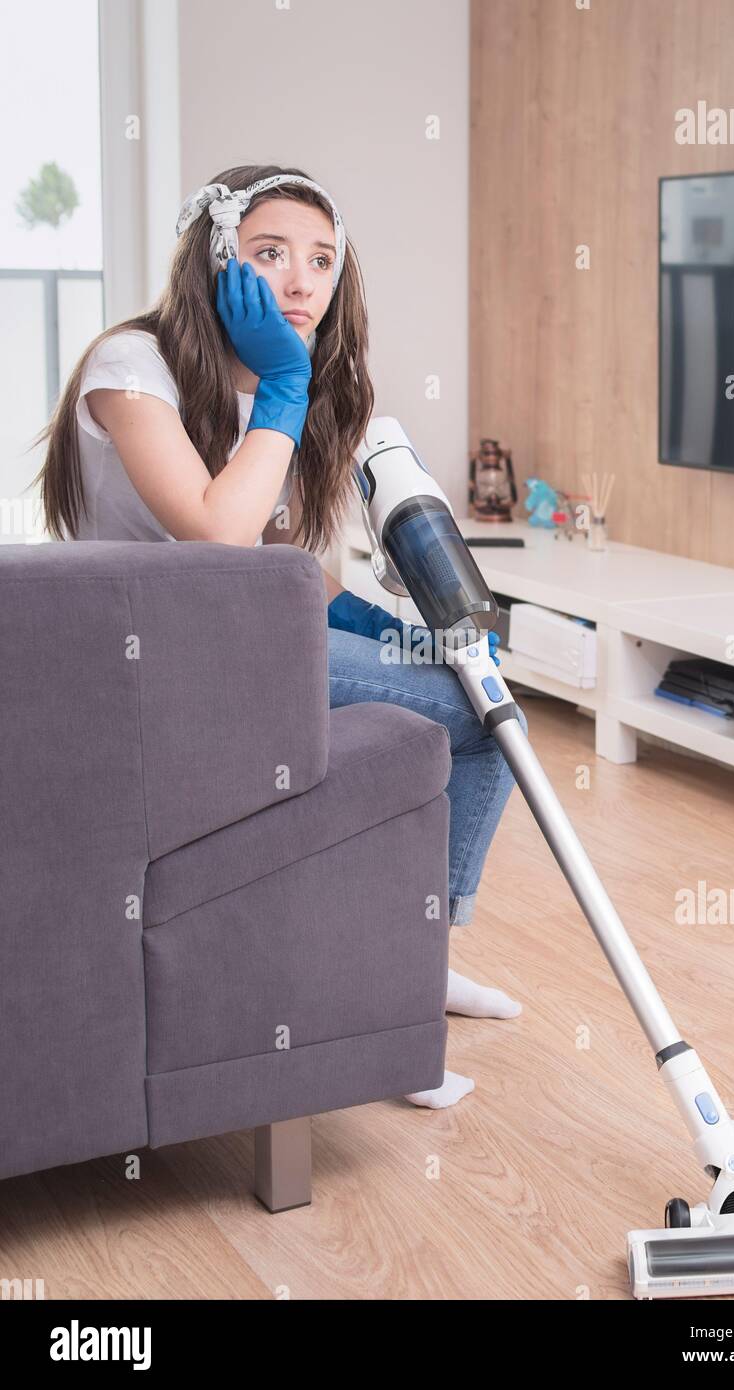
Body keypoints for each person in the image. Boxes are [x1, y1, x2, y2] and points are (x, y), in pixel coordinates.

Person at [33, 163, 527, 1109]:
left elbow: (280, 554)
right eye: (269, 256)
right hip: (148, 666)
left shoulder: (279, 377)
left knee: (480, 690)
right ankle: (381, 985)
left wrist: (379, 626)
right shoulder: (130, 368)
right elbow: (219, 532)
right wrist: (290, 384)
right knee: (465, 708)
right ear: (217, 264)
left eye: (320, 260)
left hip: (245, 639)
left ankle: (420, 957)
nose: (301, 283)